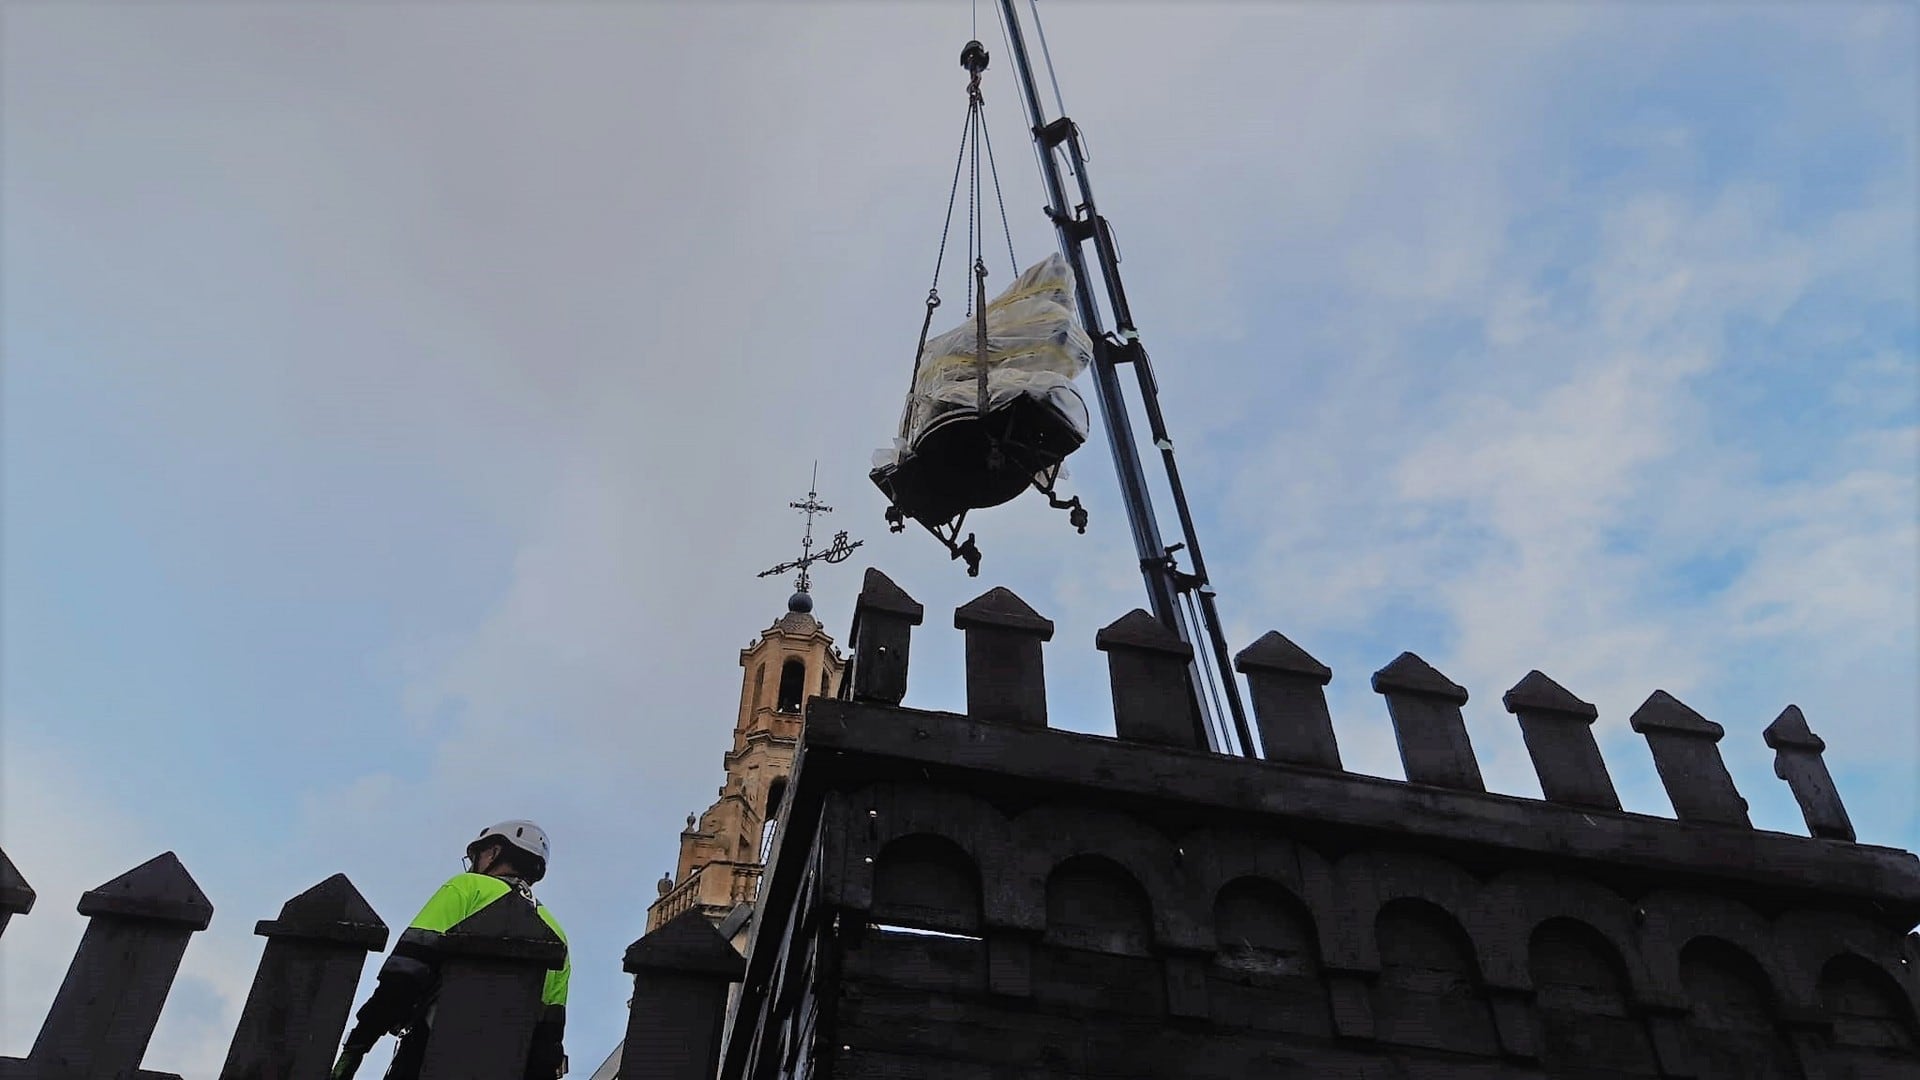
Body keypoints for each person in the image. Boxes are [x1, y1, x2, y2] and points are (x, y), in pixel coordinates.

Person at [333, 821, 570, 1079]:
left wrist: (360, 1040)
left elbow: (405, 971)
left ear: (494, 852)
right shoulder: (556, 932)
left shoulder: (466, 888)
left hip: (432, 1051)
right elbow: (550, 1029)